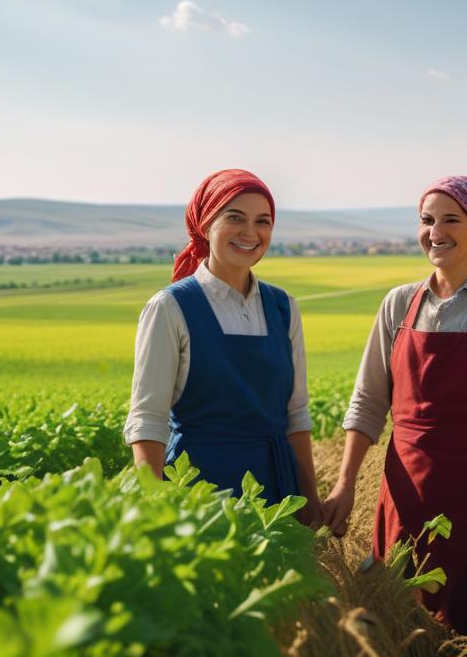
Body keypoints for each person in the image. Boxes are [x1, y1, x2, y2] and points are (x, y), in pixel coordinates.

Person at [321, 175, 467, 634]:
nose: (436, 231)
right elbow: (368, 401)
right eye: (427, 220)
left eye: (452, 219)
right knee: (399, 618)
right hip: (405, 492)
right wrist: (344, 485)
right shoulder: (397, 305)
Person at [123, 168, 320, 526]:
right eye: (235, 218)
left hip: (277, 493)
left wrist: (310, 500)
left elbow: (297, 415)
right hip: (198, 493)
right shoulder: (170, 307)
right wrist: (151, 511)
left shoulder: (283, 306)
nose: (250, 232)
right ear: (205, 225)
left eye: (263, 221)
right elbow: (148, 421)